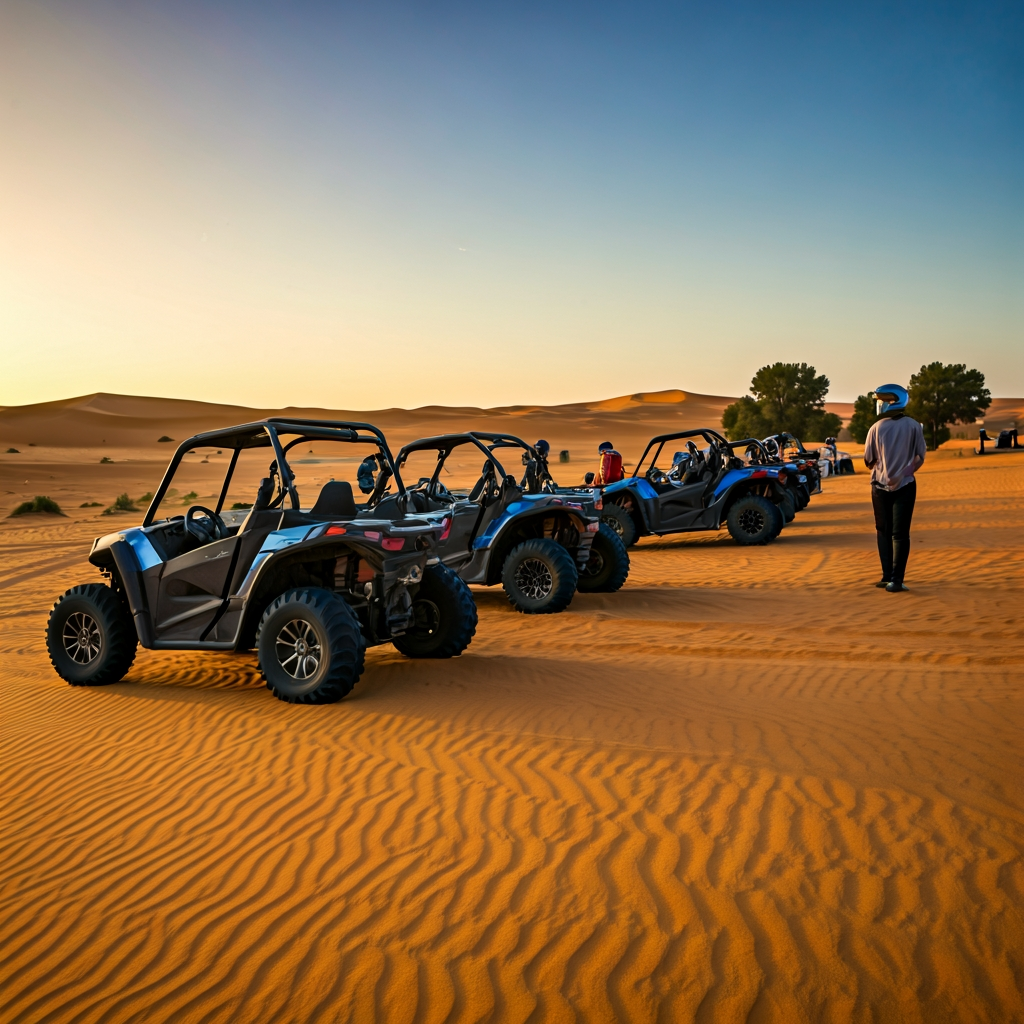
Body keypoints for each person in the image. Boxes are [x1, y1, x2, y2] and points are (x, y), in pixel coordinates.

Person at [862, 384, 926, 592]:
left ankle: (886, 576)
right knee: (900, 534)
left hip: (879, 486)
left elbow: (868, 460)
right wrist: (905, 471)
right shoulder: (914, 425)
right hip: (906, 485)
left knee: (883, 531)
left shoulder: (875, 428)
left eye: (886, 401)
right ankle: (896, 581)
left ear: (895, 401)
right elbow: (920, 457)